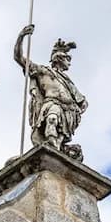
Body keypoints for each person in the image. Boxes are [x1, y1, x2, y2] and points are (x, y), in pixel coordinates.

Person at [14, 24, 87, 160]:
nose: (69, 63)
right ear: (59, 58)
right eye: (67, 59)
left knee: (60, 137)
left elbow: (80, 99)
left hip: (69, 111)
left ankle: (56, 152)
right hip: (52, 104)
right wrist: (21, 36)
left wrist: (82, 103)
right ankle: (50, 149)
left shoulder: (68, 81)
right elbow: (19, 58)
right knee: (52, 119)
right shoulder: (43, 71)